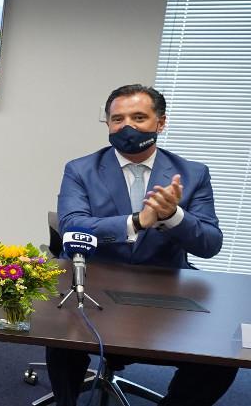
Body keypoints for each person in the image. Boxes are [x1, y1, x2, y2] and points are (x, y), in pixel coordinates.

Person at [45, 84, 237, 406]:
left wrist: (173, 216)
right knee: (61, 341)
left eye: (138, 117)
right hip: (94, 284)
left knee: (220, 360)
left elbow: (210, 244)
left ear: (160, 123)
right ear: (108, 124)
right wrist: (137, 221)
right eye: (117, 119)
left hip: (162, 291)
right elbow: (72, 227)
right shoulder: (80, 169)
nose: (127, 127)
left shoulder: (192, 174)